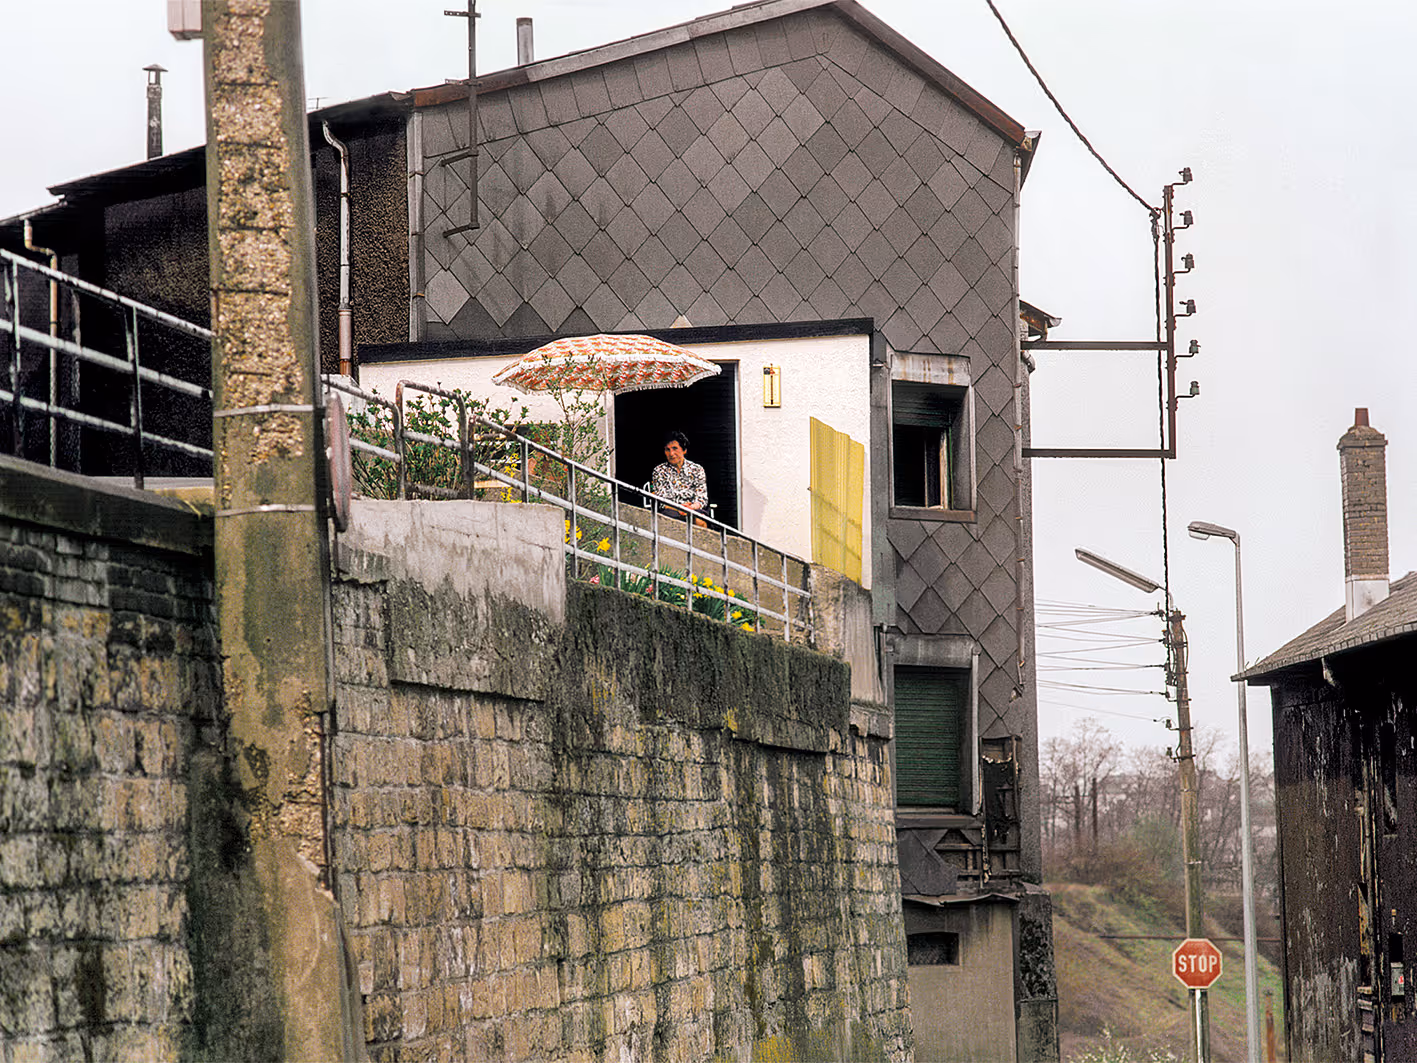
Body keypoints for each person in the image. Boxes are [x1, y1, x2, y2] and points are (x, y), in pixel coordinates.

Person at [650, 430, 708, 524]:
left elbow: (702, 498)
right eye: (667, 450)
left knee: (699, 521)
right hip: (671, 510)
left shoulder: (697, 469)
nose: (671, 454)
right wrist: (679, 508)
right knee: (668, 521)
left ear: (684, 450)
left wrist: (691, 507)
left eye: (675, 448)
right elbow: (662, 500)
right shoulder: (659, 471)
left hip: (693, 509)